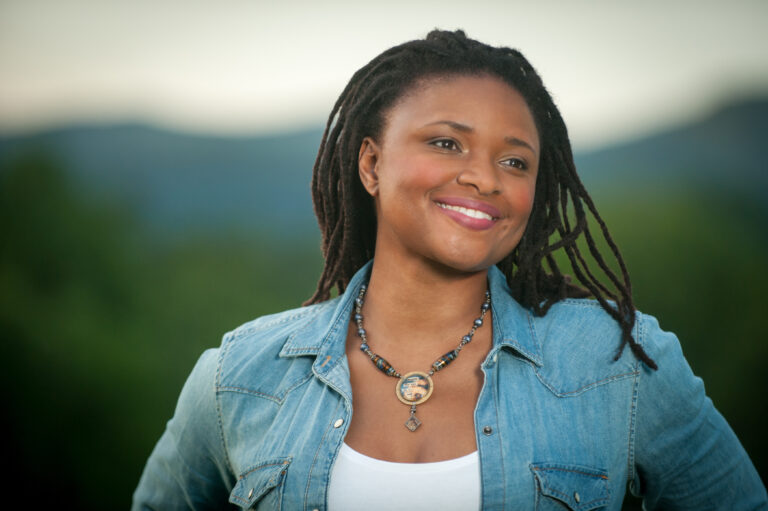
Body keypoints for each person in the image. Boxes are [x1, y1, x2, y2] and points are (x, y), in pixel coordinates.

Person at [132, 30, 766, 510]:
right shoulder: (240, 378)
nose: (485, 178)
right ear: (372, 164)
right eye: (446, 143)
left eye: (515, 162)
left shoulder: (619, 363)